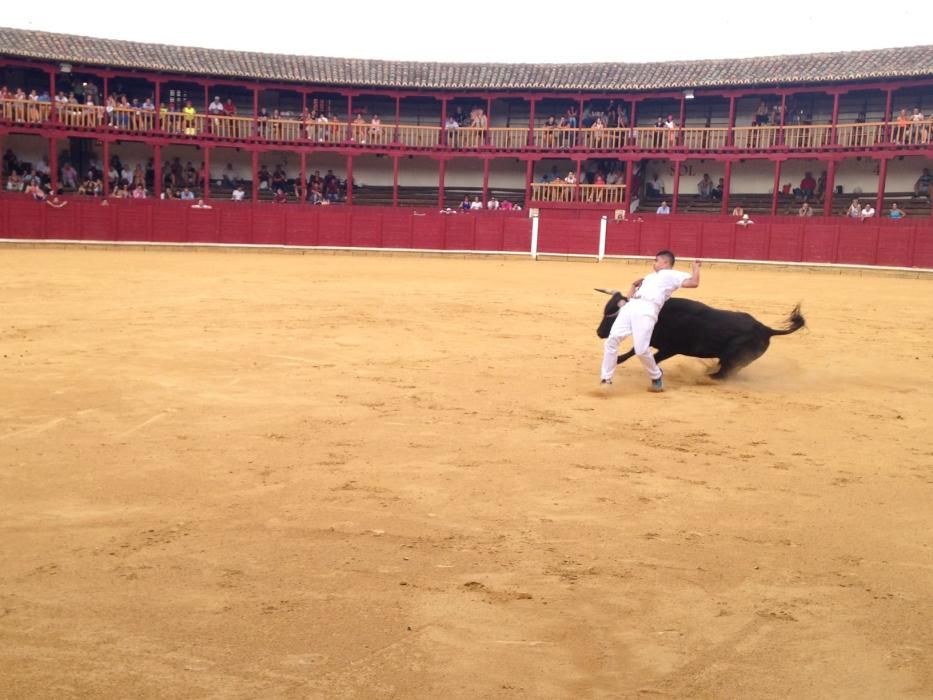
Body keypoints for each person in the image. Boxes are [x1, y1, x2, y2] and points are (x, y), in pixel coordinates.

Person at [600, 250, 701, 391]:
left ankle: (656, 375)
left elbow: (694, 283)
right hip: (631, 306)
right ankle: (606, 379)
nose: (654, 263)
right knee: (612, 340)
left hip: (647, 309)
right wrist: (632, 287)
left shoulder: (671, 274)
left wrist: (695, 268)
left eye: (656, 260)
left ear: (665, 262)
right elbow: (629, 299)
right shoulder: (648, 277)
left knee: (641, 350)